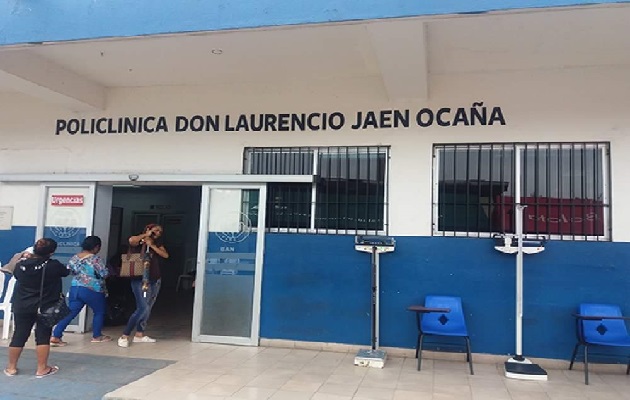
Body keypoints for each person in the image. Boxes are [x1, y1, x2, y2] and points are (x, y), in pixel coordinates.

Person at [4, 238, 69, 378]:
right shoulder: (54, 266)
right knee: (43, 336)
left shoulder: (21, 265)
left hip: (22, 305)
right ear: (52, 252)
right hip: (45, 306)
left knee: (19, 335)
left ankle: (11, 367)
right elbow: (66, 272)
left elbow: (14, 272)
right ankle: (42, 369)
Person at [50, 236, 110, 346]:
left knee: (71, 313)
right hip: (92, 289)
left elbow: (70, 271)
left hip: (75, 288)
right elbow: (104, 274)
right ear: (96, 247)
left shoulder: (75, 258)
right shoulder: (95, 259)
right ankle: (97, 336)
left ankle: (56, 335)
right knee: (99, 312)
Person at [117, 224, 169, 347]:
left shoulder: (157, 243)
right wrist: (146, 237)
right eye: (156, 230)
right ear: (148, 229)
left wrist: (152, 245)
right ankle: (125, 335)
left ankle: (139, 334)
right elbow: (131, 240)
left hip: (154, 279)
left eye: (160, 231)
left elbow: (165, 255)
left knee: (148, 307)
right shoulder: (138, 241)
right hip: (140, 279)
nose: (158, 233)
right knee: (142, 307)